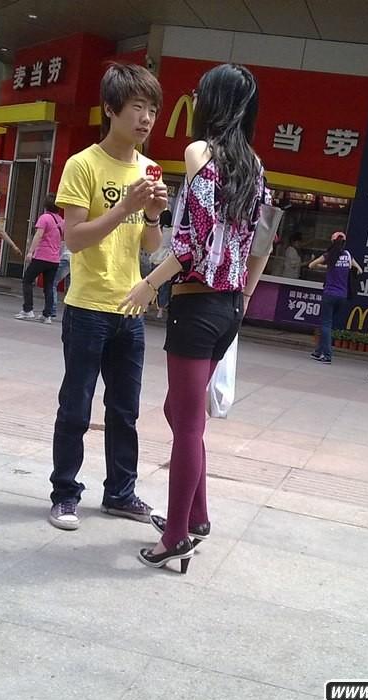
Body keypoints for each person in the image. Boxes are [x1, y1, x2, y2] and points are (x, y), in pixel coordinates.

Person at [119, 63, 270, 573]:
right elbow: (262, 242)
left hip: (197, 303)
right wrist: (242, 297)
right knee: (179, 412)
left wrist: (148, 284)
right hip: (227, 308)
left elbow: (192, 241)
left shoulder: (200, 152)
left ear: (212, 102)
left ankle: (176, 535)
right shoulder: (254, 165)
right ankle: (197, 516)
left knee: (186, 424)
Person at [47, 63, 166, 531]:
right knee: (75, 407)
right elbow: (74, 239)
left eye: (152, 109)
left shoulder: (148, 168)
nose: (146, 118)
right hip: (87, 308)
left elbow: (151, 246)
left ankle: (120, 493)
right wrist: (125, 206)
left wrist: (152, 215)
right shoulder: (83, 164)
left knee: (125, 410)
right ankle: (64, 495)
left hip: (130, 308)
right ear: (111, 109)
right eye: (137, 107)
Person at [308, 231, 362, 364]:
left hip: (329, 295)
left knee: (326, 324)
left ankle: (327, 355)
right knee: (327, 323)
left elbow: (311, 265)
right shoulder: (348, 255)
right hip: (342, 296)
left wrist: (326, 266)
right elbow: (360, 270)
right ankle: (318, 351)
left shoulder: (329, 255)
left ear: (332, 242)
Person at [15, 193, 64, 324]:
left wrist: (30, 252)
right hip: (54, 259)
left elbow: (38, 235)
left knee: (27, 280)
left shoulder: (45, 218)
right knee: (49, 286)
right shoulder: (61, 220)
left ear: (45, 205)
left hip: (42, 256)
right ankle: (47, 315)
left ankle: (28, 309)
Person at [150, 209, 173, 319]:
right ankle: (160, 310)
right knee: (164, 287)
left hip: (154, 259)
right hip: (164, 261)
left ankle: (147, 305)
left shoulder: (157, 229)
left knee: (151, 285)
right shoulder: (172, 231)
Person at [50, 233, 71, 319]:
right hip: (75, 260)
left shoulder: (65, 230)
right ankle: (69, 313)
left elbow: (59, 248)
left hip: (65, 258)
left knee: (52, 283)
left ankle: (52, 310)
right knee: (70, 288)